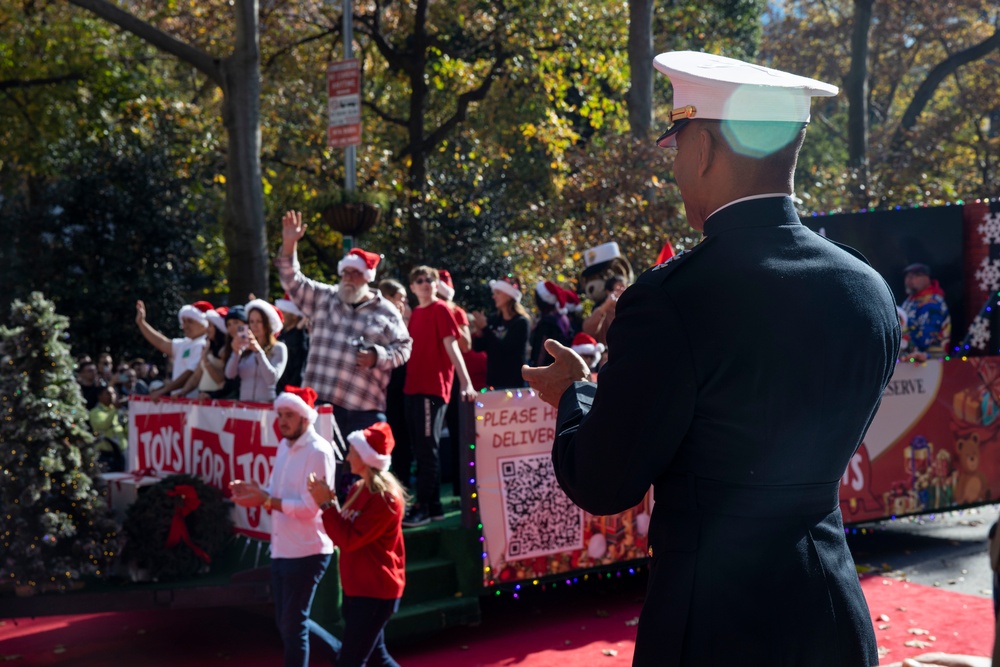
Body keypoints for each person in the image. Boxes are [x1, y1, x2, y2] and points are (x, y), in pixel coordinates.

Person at [523, 51, 898, 667]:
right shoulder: (867, 288)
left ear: (702, 149)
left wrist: (575, 392)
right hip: (832, 612)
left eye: (676, 149)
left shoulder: (673, 300)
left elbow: (601, 481)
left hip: (713, 625)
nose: (675, 170)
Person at [275, 211, 412, 496]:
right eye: (345, 272)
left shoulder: (385, 310)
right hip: (323, 405)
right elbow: (291, 278)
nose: (349, 278)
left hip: (364, 410)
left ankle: (358, 531)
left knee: (363, 481)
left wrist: (378, 357)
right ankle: (326, 529)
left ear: (367, 277)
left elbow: (405, 347)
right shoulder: (324, 298)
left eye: (355, 273)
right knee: (321, 473)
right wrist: (290, 244)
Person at [229, 386, 338, 667]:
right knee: (288, 623)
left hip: (308, 551)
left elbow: (311, 507)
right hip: (282, 549)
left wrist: (267, 499)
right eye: (280, 415)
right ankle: (343, 654)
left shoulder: (318, 450)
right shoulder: (284, 446)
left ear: (305, 417)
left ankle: (344, 655)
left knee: (292, 625)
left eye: (289, 415)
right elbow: (276, 493)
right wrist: (256, 493)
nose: (283, 421)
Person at [306, 422, 406, 667]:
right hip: (358, 588)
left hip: (374, 592)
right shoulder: (358, 489)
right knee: (376, 658)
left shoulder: (385, 498)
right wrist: (331, 505)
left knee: (350, 661)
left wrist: (327, 507)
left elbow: (348, 540)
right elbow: (346, 532)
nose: (348, 456)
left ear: (366, 457)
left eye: (352, 451)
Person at [401, 265, 476, 527]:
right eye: (419, 280)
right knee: (421, 449)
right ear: (412, 287)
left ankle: (423, 507)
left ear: (436, 285)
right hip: (412, 388)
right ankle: (433, 508)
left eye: (429, 280)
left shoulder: (441, 309)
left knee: (426, 449)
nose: (424, 284)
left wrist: (466, 382)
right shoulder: (414, 314)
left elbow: (453, 346)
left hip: (431, 389)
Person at [378, 279, 414, 488]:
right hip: (380, 392)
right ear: (387, 299)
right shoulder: (376, 321)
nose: (403, 304)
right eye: (400, 299)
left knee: (401, 441)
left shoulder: (403, 321)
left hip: (401, 390)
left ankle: (401, 489)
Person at [135, 300, 208, 399]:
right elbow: (161, 342)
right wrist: (141, 323)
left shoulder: (204, 344)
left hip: (194, 402)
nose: (185, 326)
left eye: (190, 321)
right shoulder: (185, 343)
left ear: (203, 323)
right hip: (180, 401)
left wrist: (164, 390)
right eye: (184, 321)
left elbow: (190, 374)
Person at [471, 276, 530, 389]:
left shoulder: (521, 322)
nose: (493, 297)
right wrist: (479, 333)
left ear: (508, 296)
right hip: (493, 382)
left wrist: (485, 328)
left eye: (497, 293)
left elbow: (506, 350)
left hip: (513, 384)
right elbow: (479, 348)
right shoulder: (494, 319)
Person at [225, 299, 288, 402]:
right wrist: (235, 353)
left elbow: (271, 379)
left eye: (259, 321)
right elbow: (229, 375)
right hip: (245, 408)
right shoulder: (245, 347)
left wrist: (258, 351)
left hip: (266, 408)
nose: (255, 326)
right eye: (251, 321)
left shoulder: (278, 348)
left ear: (267, 324)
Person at [900, 262, 952, 360]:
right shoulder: (909, 301)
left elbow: (927, 337)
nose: (910, 279)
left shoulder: (933, 302)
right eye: (908, 276)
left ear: (927, 278)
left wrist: (905, 343)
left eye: (916, 276)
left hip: (931, 360)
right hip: (908, 357)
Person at [528, 280, 571, 367]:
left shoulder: (547, 323)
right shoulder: (562, 318)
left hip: (546, 372)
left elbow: (542, 352)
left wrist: (536, 373)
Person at [275, 293, 310, 394]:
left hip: (287, 392)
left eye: (283, 313)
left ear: (294, 316)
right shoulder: (281, 335)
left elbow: (298, 371)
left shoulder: (301, 339)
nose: (280, 317)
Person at [582, 274, 628, 348]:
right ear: (608, 292)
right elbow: (588, 330)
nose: (622, 291)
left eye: (624, 288)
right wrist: (607, 304)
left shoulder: (631, 308)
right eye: (618, 289)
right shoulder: (603, 310)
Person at [90, 385, 126, 471]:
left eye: (113, 393)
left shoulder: (118, 410)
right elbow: (103, 425)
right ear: (99, 396)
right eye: (108, 393)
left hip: (121, 453)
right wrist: (115, 410)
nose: (112, 396)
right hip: (106, 455)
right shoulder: (95, 412)